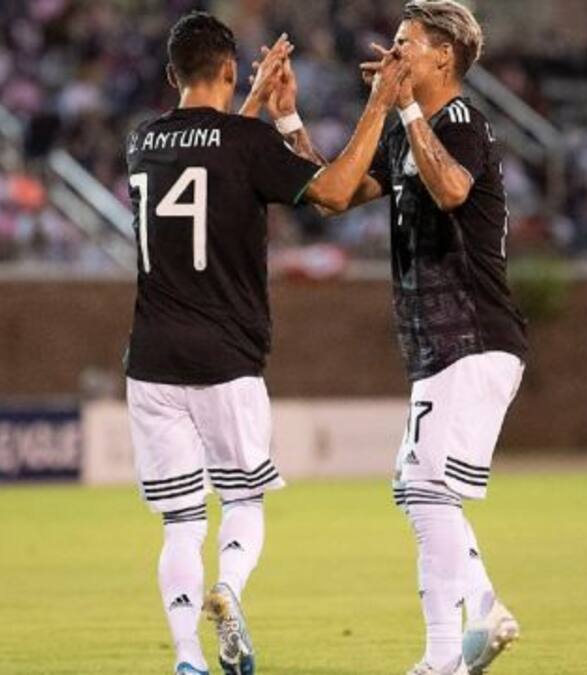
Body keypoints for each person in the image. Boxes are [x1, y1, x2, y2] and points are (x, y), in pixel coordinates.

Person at [123, 11, 408, 675]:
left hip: (152, 360)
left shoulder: (142, 141)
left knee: (180, 523)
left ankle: (188, 659)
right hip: (227, 357)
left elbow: (210, 152)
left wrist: (250, 103)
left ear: (171, 74)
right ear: (229, 69)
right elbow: (333, 192)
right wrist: (378, 103)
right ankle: (228, 588)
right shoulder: (247, 144)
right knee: (243, 500)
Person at [277, 2, 528, 673]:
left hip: (473, 333)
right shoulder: (405, 131)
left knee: (420, 488)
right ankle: (443, 655)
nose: (390, 54)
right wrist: (289, 121)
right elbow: (334, 193)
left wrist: (406, 105)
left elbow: (451, 191)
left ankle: (482, 610)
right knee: (422, 491)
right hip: (438, 343)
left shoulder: (463, 121)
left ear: (443, 56)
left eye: (404, 42)